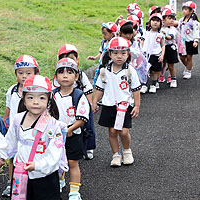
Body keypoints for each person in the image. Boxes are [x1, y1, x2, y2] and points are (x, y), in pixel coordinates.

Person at [0, 75, 66, 200]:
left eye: (42, 97)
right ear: (24, 99)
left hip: (45, 177)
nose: (36, 102)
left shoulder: (52, 125)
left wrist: (37, 165)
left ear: (49, 100)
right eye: (31, 97)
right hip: (21, 175)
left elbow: (55, 154)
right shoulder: (18, 120)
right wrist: (0, 156)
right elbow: (9, 141)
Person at [92, 37, 141, 167]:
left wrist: (136, 105)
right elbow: (99, 88)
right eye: (115, 53)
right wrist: (94, 102)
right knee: (112, 131)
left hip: (125, 106)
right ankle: (116, 154)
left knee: (123, 131)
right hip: (108, 105)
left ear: (128, 54)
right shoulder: (104, 71)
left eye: (123, 53)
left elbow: (136, 89)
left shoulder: (130, 71)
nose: (119, 56)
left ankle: (126, 151)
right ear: (110, 54)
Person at [2, 54, 40, 197]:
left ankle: (30, 183)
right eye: (20, 73)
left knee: (30, 157)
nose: (24, 76)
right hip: (14, 131)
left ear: (36, 73)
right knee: (13, 158)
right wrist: (5, 122)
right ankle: (12, 183)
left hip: (31, 132)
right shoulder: (12, 90)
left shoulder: (36, 91)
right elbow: (8, 110)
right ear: (15, 74)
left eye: (28, 73)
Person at [53, 58, 90, 200]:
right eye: (61, 72)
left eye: (70, 72)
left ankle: (74, 191)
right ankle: (60, 180)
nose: (65, 75)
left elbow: (82, 118)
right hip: (55, 135)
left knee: (72, 162)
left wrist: (70, 129)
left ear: (76, 76)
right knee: (57, 160)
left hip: (73, 135)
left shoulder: (79, 95)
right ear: (56, 76)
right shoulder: (52, 95)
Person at [55, 44, 95, 160]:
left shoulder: (79, 74)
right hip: (63, 109)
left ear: (77, 60)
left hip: (80, 105)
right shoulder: (58, 78)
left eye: (72, 58)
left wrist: (89, 104)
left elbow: (88, 89)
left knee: (87, 127)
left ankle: (88, 146)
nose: (65, 75)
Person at [142, 13, 165, 93]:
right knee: (145, 71)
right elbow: (142, 42)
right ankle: (144, 85)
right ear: (150, 22)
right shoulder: (146, 33)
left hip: (156, 55)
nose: (155, 22)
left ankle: (153, 85)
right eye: (153, 20)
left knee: (155, 71)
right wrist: (141, 52)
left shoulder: (160, 34)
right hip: (146, 55)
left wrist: (162, 55)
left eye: (157, 21)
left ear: (160, 23)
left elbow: (163, 45)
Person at [178, 1, 200, 79]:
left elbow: (196, 31)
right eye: (183, 9)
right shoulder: (181, 20)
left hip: (191, 41)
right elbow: (178, 28)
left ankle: (188, 70)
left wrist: (196, 40)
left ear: (191, 11)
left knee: (189, 56)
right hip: (183, 42)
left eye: (186, 9)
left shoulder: (194, 22)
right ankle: (188, 67)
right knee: (182, 57)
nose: (184, 11)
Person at [160, 8, 179, 88]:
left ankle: (173, 79)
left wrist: (164, 35)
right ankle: (161, 76)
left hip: (170, 48)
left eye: (173, 18)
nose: (172, 20)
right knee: (161, 63)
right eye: (169, 18)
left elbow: (169, 37)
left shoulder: (173, 29)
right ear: (163, 19)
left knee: (171, 65)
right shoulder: (160, 28)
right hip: (162, 48)